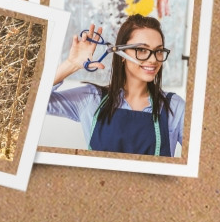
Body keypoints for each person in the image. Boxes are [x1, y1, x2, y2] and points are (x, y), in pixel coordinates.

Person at [47, 17, 184, 155]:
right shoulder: (90, 98)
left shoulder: (175, 106)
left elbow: (197, 158)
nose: (153, 59)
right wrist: (71, 64)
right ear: (122, 54)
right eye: (142, 50)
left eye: (159, 51)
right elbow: (34, 101)